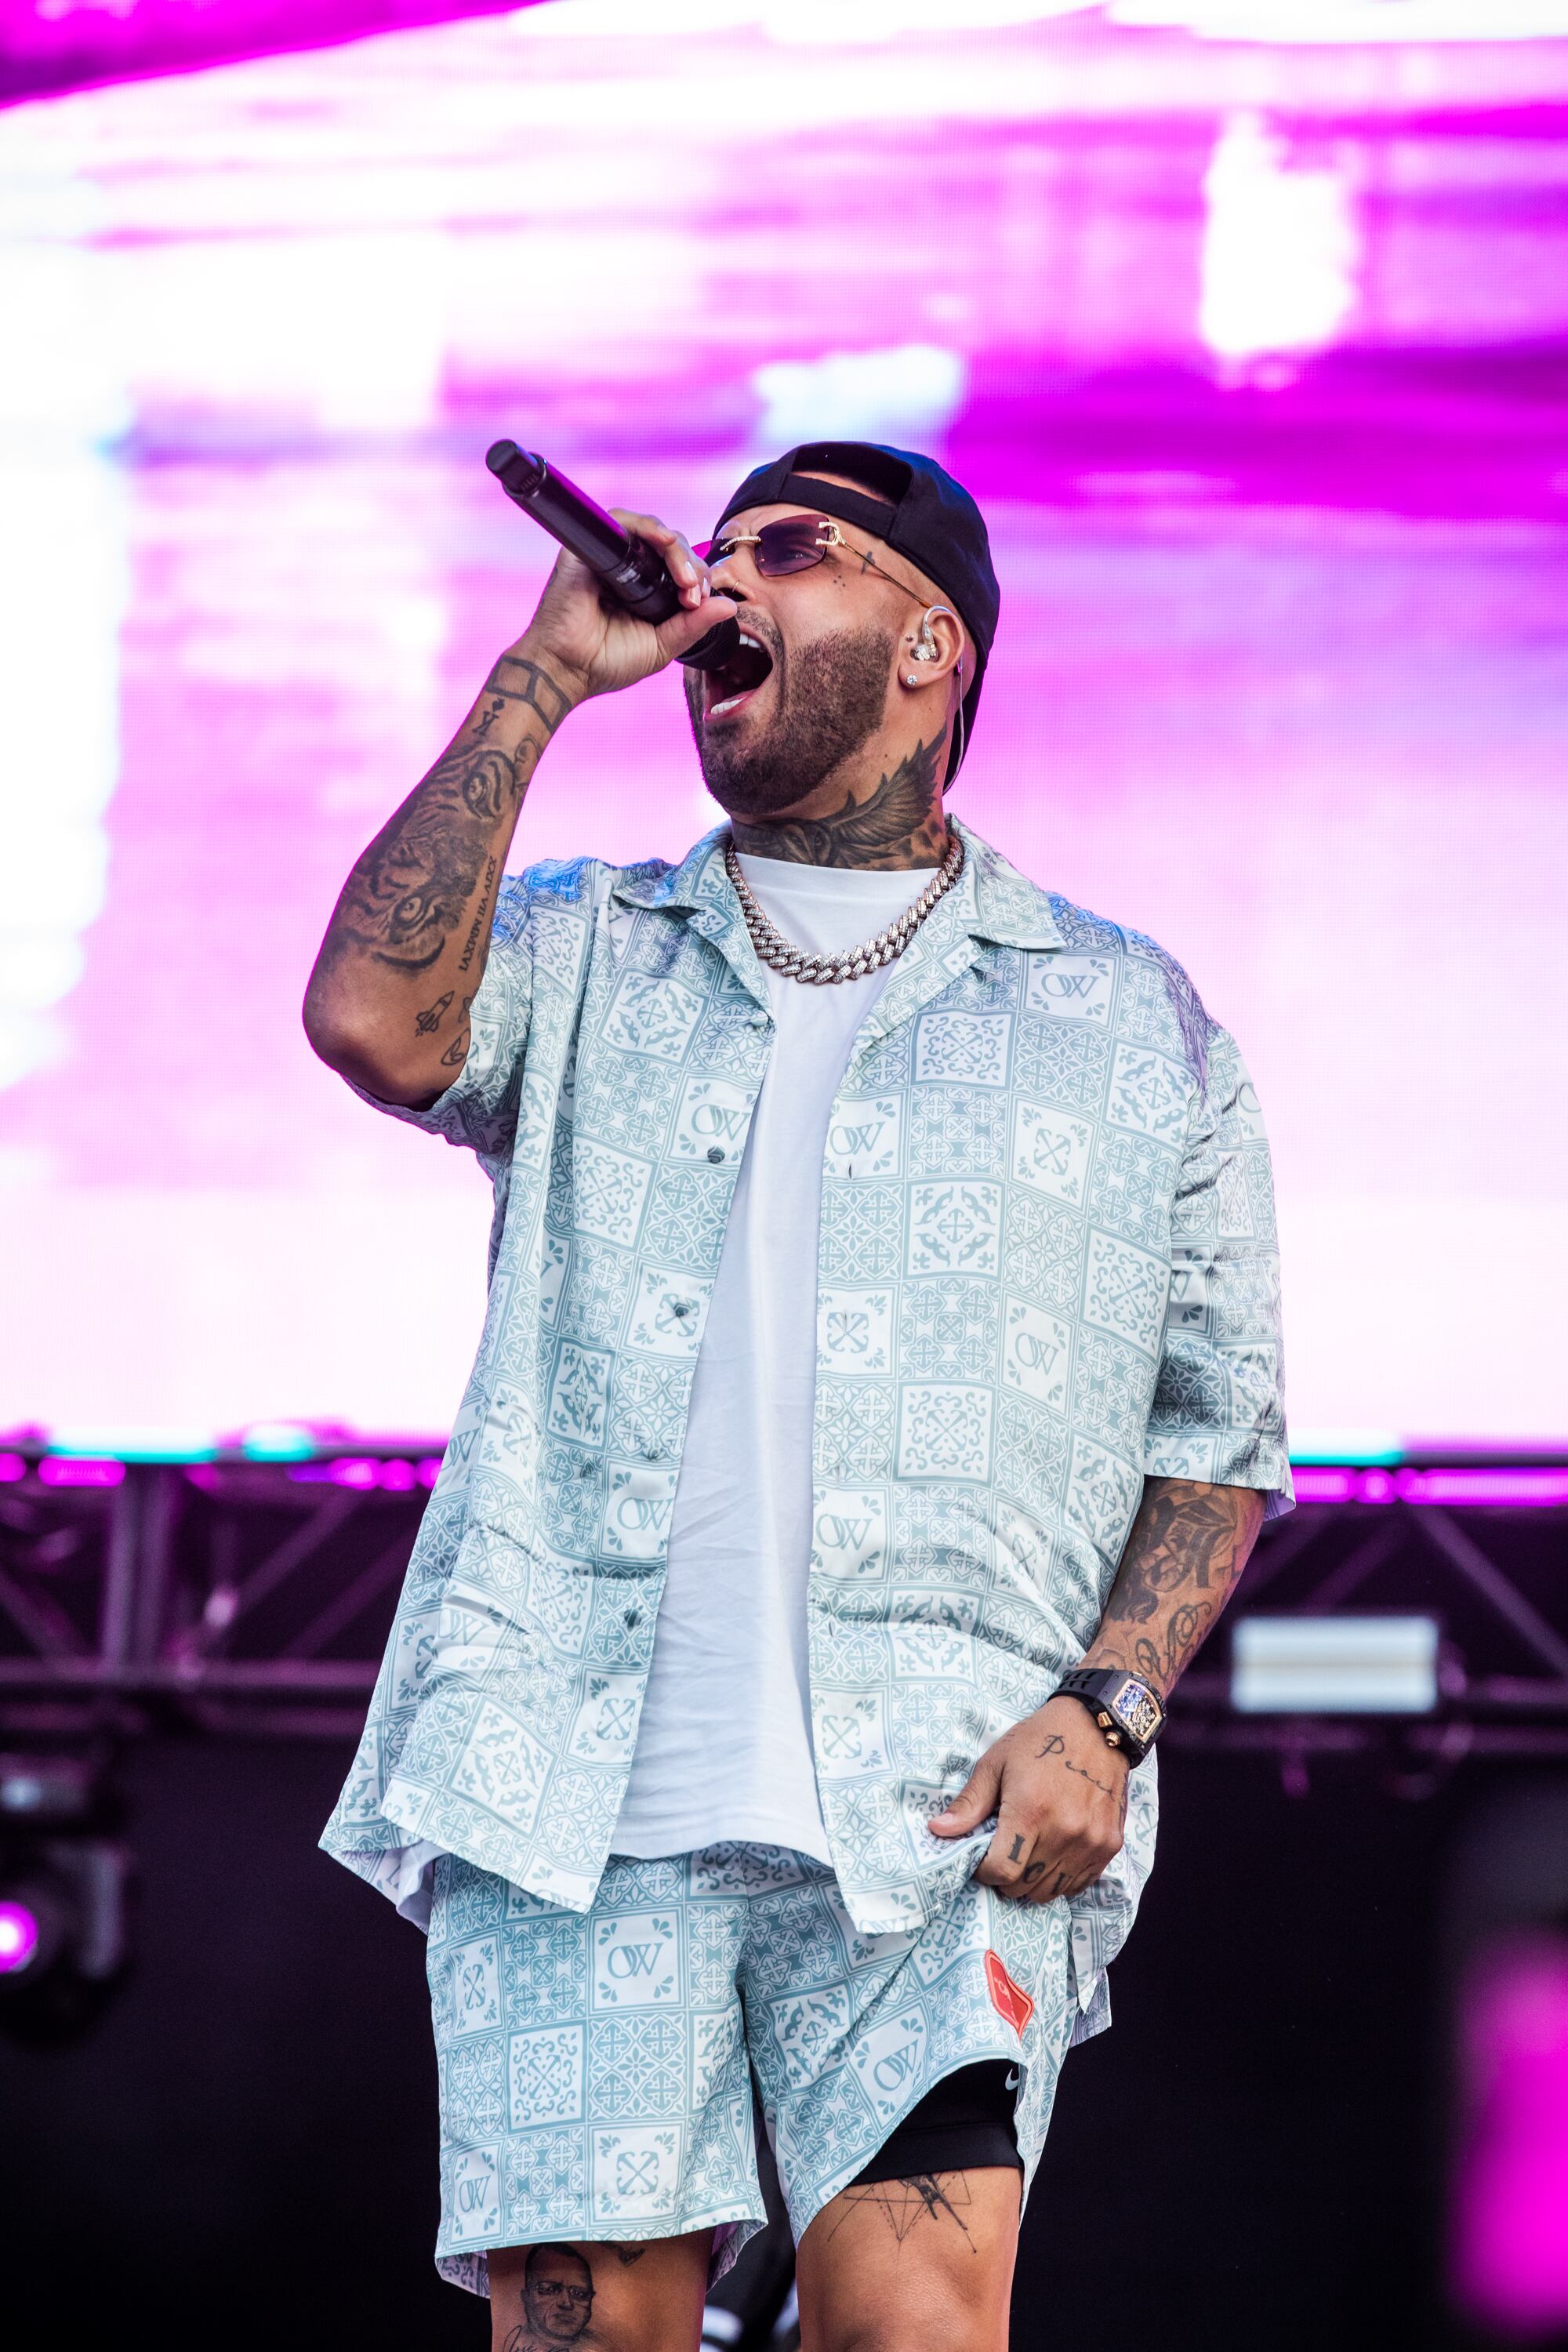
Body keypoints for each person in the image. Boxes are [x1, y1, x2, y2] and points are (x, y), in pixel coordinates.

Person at [305, 440, 1291, 2352]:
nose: (724, 582)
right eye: (718, 547)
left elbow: (1216, 1438)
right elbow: (369, 1020)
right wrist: (541, 676)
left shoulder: (1123, 1018)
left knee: (914, 2328)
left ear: (930, 645)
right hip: (567, 1785)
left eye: (792, 549)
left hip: (940, 1790)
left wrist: (1106, 1712)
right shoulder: (591, 944)